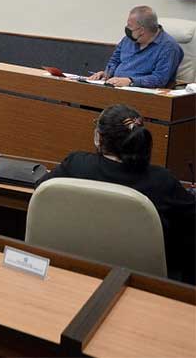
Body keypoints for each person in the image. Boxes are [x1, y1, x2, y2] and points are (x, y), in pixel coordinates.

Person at [35, 104, 195, 283]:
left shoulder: (75, 164)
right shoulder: (162, 181)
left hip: (73, 271)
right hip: (144, 283)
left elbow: (41, 192)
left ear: (98, 137)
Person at [88, 6, 184, 88]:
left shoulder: (169, 48)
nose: (127, 28)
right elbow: (114, 60)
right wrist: (106, 74)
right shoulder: (127, 40)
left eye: (130, 26)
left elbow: (160, 79)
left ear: (142, 30)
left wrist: (130, 81)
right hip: (115, 87)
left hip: (143, 94)